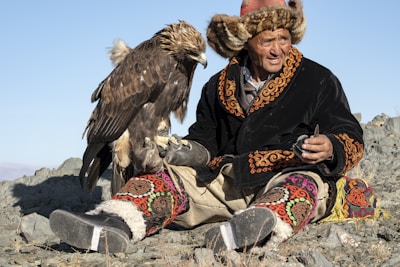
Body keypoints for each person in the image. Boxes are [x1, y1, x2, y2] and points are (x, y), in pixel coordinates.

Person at [50, 0, 369, 254]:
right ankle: (112, 224)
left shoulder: (317, 79)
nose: (277, 49)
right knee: (163, 178)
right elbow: (205, 141)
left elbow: (349, 132)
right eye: (267, 40)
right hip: (227, 181)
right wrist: (177, 151)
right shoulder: (218, 86)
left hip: (288, 171)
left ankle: (252, 233)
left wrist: (330, 146)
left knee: (301, 186)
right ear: (247, 42)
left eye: (284, 39)